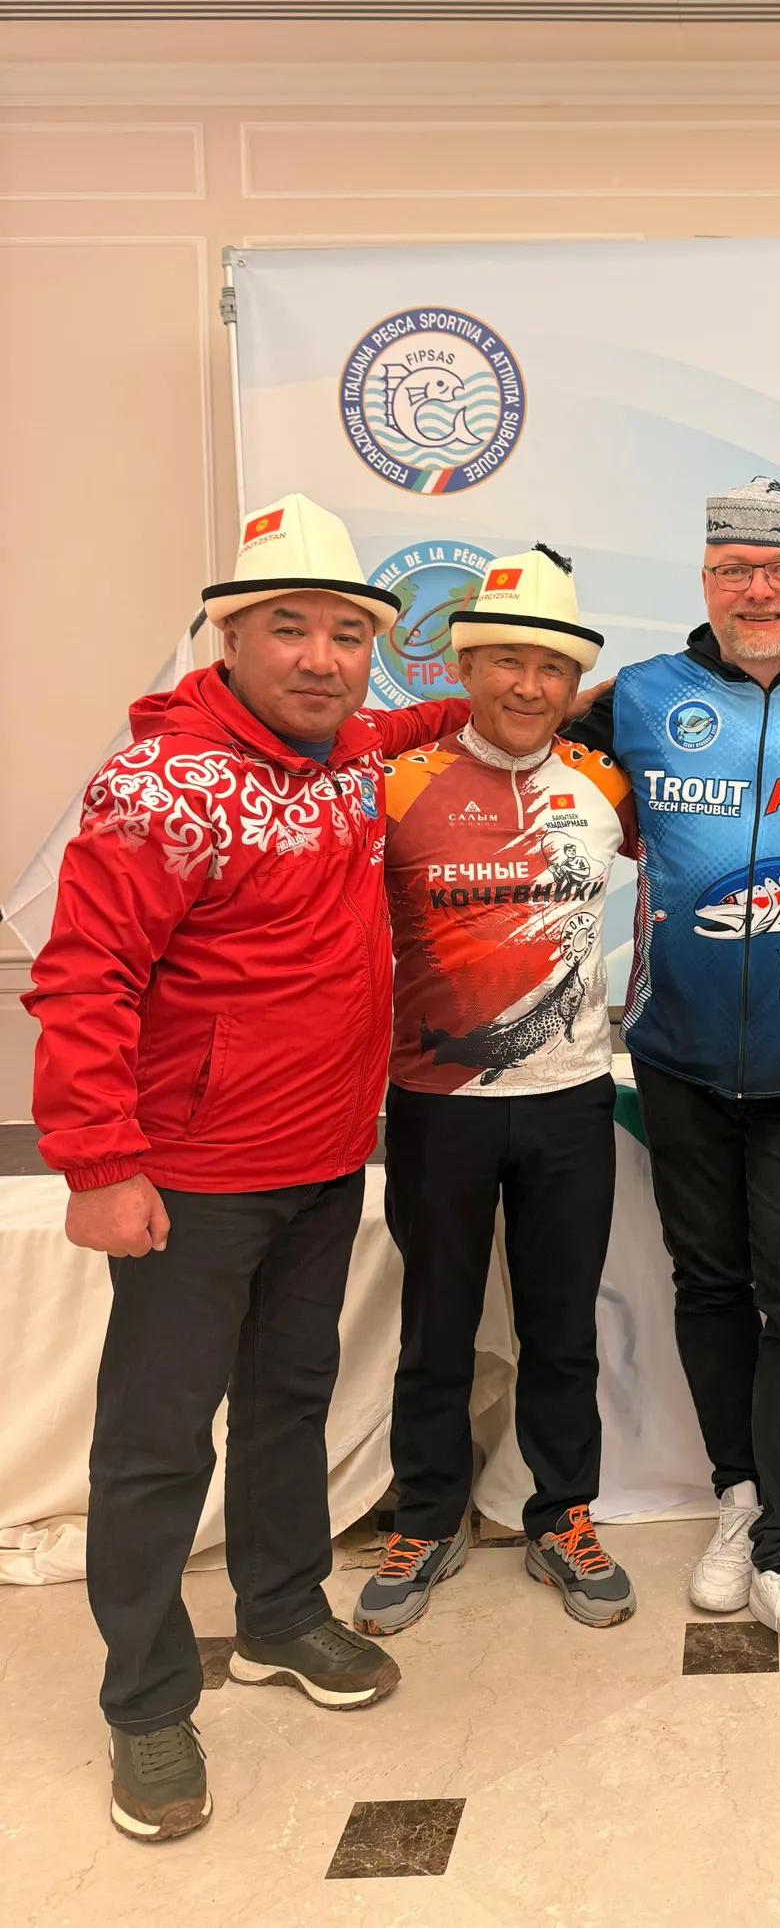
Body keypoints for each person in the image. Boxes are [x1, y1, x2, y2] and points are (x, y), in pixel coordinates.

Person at [24, 495, 468, 1843]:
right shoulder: (161, 785)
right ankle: (147, 1701)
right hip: (194, 1180)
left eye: (347, 634)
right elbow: (83, 976)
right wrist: (99, 1163)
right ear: (228, 635)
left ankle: (278, 1615)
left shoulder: (344, 751)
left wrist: (517, 693)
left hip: (324, 1160)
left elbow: (409, 721)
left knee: (289, 1401)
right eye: (291, 628)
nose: (323, 658)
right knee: (157, 1445)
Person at [566, 477, 780, 1684]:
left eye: (779, 571)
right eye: (733, 571)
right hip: (675, 1052)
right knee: (709, 1285)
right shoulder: (641, 697)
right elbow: (516, 739)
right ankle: (741, 1492)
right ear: (706, 582)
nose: (756, 591)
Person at [352, 544, 636, 1638]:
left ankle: (562, 1514)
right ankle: (427, 1518)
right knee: (436, 1326)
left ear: (575, 685)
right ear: (463, 667)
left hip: (571, 1098)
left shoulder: (604, 785)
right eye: (506, 661)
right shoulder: (399, 782)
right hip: (436, 1101)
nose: (527, 684)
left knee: (563, 1328)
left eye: (551, 667)